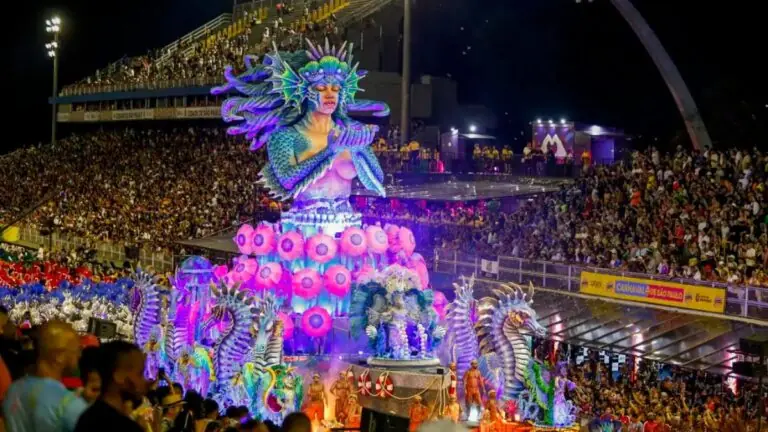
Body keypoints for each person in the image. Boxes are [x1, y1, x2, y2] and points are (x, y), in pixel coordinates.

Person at [3, 320, 87, 432]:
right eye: (77, 350)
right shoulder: (68, 403)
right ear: (59, 356)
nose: (79, 355)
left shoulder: (13, 389)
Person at [74, 341, 147, 432]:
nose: (144, 381)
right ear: (118, 376)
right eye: (140, 374)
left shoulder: (87, 418)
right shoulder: (123, 427)